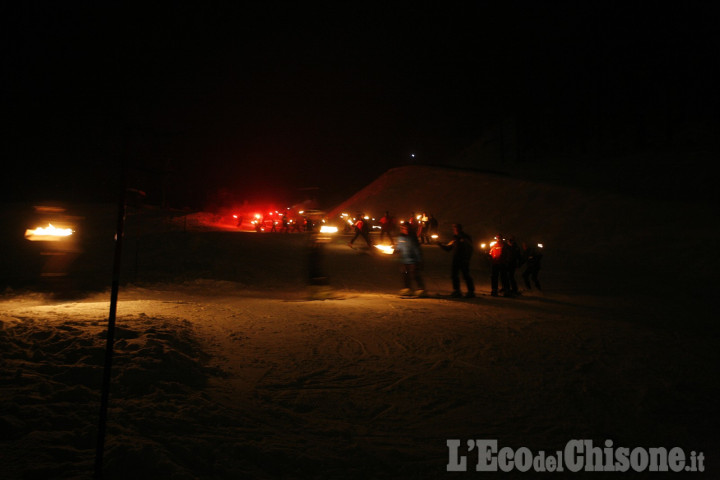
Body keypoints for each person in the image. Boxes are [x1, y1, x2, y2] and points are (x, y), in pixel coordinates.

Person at [438, 223, 475, 298]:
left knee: (466, 275)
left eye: (456, 228)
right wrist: (440, 245)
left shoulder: (465, 238)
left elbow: (470, 249)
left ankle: (471, 291)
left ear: (460, 229)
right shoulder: (455, 238)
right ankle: (457, 290)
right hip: (456, 259)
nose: (455, 230)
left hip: (464, 259)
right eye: (454, 229)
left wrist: (467, 258)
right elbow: (449, 248)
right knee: (454, 275)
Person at [395, 222, 427, 297]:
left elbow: (417, 249)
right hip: (404, 260)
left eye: (406, 228)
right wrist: (396, 250)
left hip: (413, 260)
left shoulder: (412, 237)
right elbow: (399, 246)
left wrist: (419, 260)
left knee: (415, 274)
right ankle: (407, 288)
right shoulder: (401, 237)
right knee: (405, 274)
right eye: (402, 228)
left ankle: (421, 289)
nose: (404, 230)